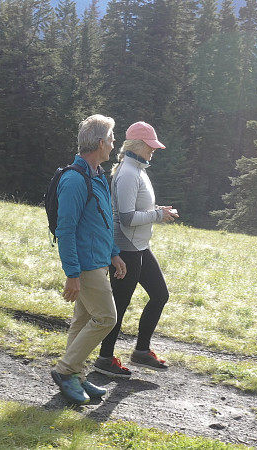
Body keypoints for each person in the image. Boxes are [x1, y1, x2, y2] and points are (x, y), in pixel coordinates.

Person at [51, 114, 128, 404]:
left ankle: (77, 377)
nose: (113, 143)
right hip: (83, 265)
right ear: (99, 143)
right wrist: (72, 273)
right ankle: (65, 370)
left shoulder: (97, 176)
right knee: (107, 317)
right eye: (111, 138)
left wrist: (114, 255)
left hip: (98, 260)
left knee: (82, 321)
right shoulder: (74, 179)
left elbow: (102, 222)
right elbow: (66, 229)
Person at [93, 121, 178, 378]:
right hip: (127, 249)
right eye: (150, 146)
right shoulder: (129, 173)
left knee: (160, 294)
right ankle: (105, 358)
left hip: (139, 247)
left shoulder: (138, 169)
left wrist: (156, 212)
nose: (154, 151)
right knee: (119, 304)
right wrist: (158, 215)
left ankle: (141, 351)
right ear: (138, 146)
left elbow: (136, 211)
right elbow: (128, 218)